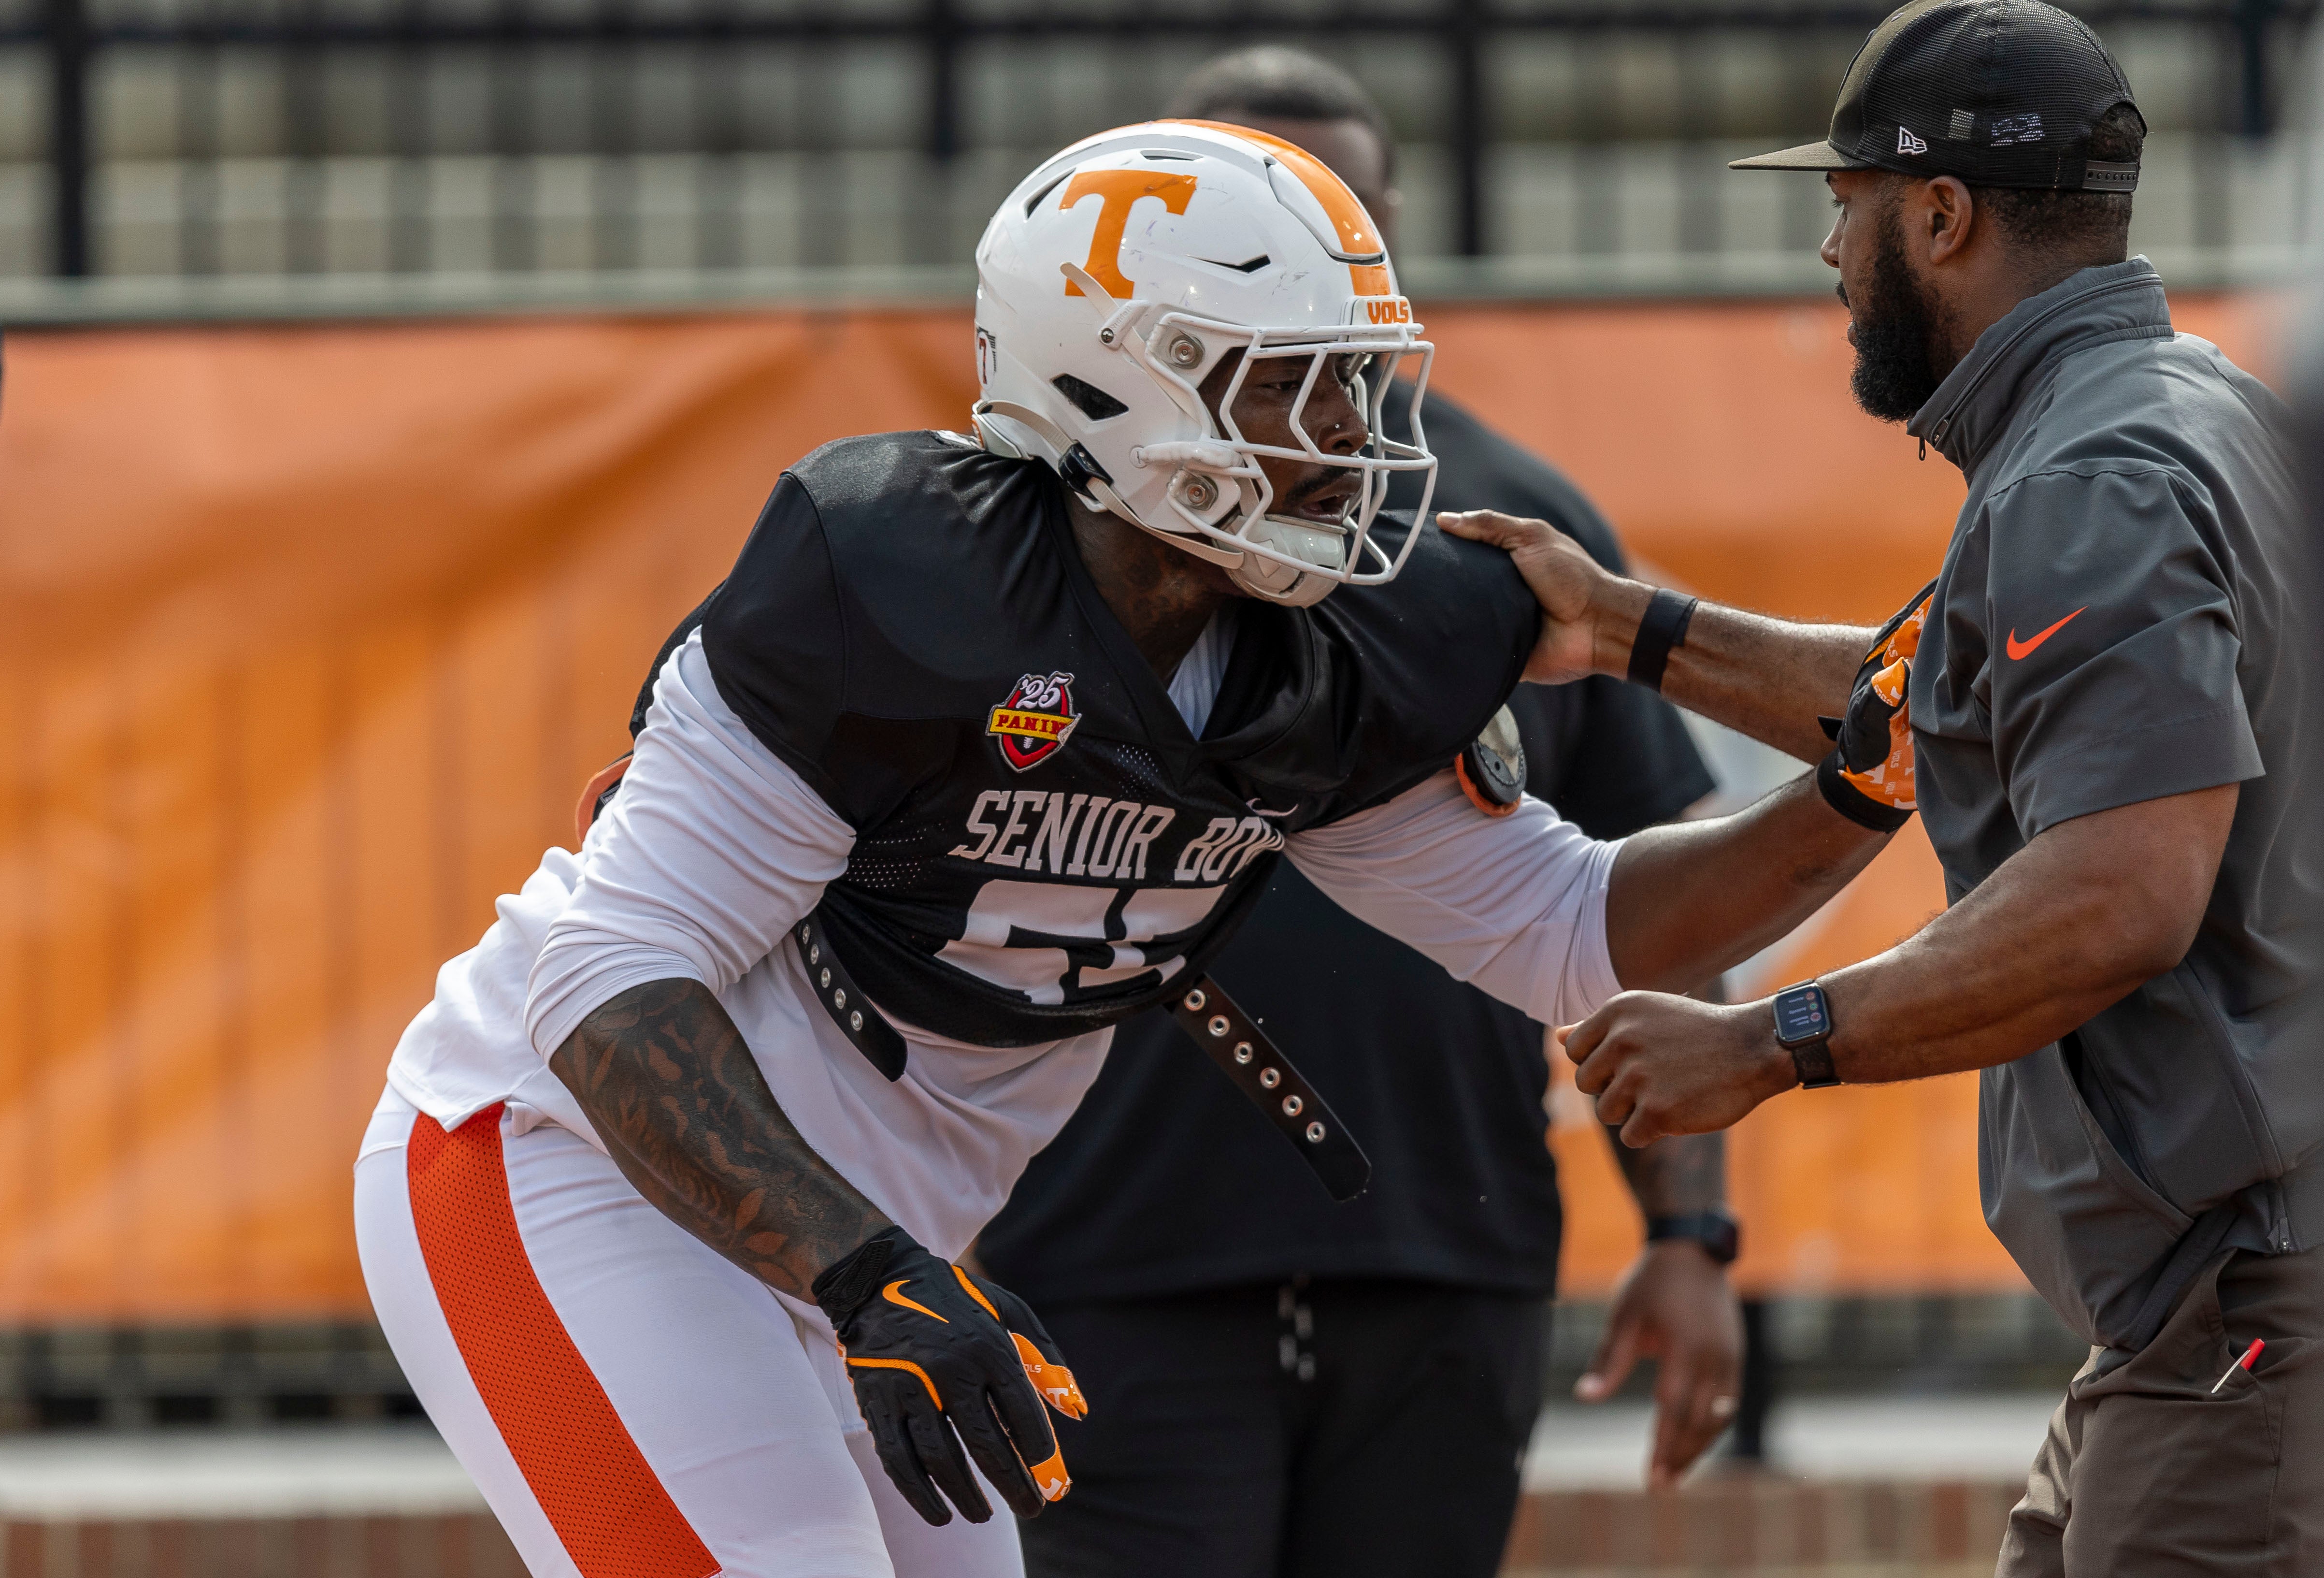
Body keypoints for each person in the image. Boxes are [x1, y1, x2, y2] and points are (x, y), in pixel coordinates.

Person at [354, 119, 1905, 1578]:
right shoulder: (895, 579)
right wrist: (862, 1269)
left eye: (1358, 385)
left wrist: (1853, 790)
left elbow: (1583, 928)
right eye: (1296, 386)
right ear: (1120, 387)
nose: (1350, 438)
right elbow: (607, 982)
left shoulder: (1320, 659)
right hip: (568, 1161)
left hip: (876, 1254)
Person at [1445, 1, 2321, 1570]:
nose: (1828, 254)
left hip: (2248, 1310)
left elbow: (2121, 891)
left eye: (1843, 206)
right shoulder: (2187, 407)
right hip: (2206, 1309)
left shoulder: (2090, 478)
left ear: (1940, 215)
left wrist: (1769, 1042)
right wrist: (1624, 626)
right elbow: (1948, 694)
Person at [978, 49, 1738, 1578]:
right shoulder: (1034, 533)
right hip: (1112, 1249)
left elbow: (1638, 907)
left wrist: (1688, 1235)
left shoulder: (1509, 541)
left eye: (1340, 219)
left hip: (1439, 1252)